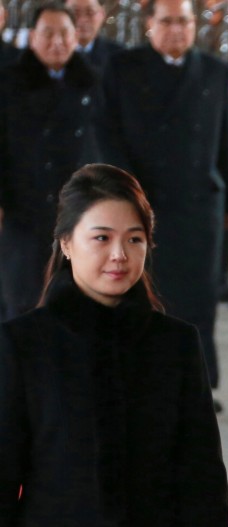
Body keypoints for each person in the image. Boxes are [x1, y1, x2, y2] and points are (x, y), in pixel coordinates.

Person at [0, 163, 228, 527]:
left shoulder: (175, 344)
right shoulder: (23, 345)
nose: (119, 255)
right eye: (102, 238)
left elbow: (200, 472)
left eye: (135, 239)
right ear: (66, 243)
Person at [98, 0, 228, 395]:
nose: (176, 30)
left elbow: (224, 140)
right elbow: (108, 136)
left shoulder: (215, 71)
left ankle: (200, 383)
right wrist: (123, 196)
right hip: (144, 202)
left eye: (184, 22)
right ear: (149, 25)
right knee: (143, 293)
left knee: (200, 297)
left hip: (199, 203)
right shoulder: (124, 68)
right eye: (167, 22)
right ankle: (141, 380)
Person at [0, 1, 99, 320]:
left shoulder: (94, 83)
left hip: (78, 216)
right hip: (22, 214)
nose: (57, 42)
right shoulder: (7, 82)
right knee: (24, 306)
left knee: (77, 308)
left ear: (76, 37)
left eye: (64, 33)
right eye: (48, 33)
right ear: (32, 37)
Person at [66, 0, 124, 74]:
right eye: (75, 12)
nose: (83, 20)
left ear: (102, 14)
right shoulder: (51, 56)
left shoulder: (119, 55)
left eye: (90, 12)